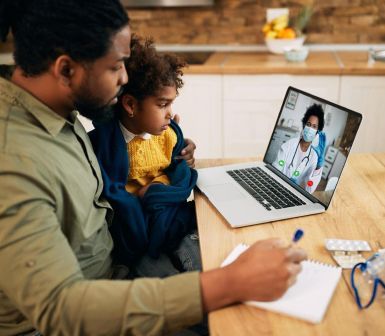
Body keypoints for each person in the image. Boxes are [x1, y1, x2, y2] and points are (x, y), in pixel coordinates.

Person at [0, 1, 307, 335]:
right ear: (65, 70)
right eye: (116, 66)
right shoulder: (14, 164)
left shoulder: (56, 111)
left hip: (119, 272)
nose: (125, 78)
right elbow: (63, 309)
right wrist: (230, 282)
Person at [88, 35, 201, 277]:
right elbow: (112, 195)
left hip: (166, 214)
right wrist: (140, 200)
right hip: (135, 228)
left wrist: (155, 190)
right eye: (162, 105)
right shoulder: (106, 144)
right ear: (130, 105)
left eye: (171, 104)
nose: (170, 114)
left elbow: (179, 171)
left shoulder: (167, 135)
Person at [273, 104, 326, 193]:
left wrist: (319, 165)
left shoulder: (314, 157)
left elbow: (309, 188)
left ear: (317, 131)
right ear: (304, 125)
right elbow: (275, 169)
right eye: (308, 124)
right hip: (277, 186)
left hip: (294, 193)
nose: (310, 129)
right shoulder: (289, 145)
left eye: (314, 126)